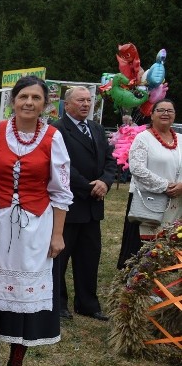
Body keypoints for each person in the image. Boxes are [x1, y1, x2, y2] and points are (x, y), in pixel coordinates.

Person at [0, 76, 72, 366]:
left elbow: (61, 192)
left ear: (45, 104)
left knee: (26, 298)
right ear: (13, 101)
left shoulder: (53, 138)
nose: (29, 102)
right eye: (23, 97)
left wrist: (57, 235)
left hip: (36, 226)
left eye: (35, 97)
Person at [52, 87, 116, 321]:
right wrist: (88, 186)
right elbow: (61, 167)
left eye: (89, 100)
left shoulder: (97, 129)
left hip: (93, 208)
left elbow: (111, 160)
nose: (86, 104)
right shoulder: (58, 130)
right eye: (81, 100)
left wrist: (105, 182)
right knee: (60, 259)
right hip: (69, 206)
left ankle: (88, 304)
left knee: (90, 257)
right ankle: (58, 304)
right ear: (67, 105)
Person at [118, 99, 182, 266]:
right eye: (160, 110)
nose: (165, 113)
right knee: (141, 252)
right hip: (148, 201)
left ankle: (160, 284)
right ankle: (135, 287)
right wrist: (165, 186)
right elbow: (137, 169)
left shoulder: (181, 139)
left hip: (176, 202)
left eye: (170, 110)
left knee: (169, 246)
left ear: (175, 115)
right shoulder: (143, 138)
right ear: (152, 115)